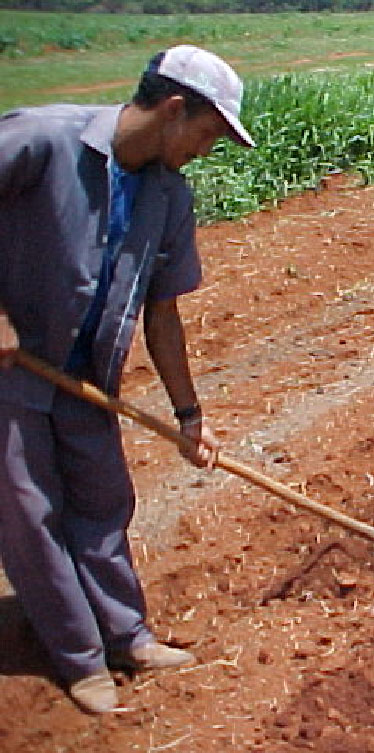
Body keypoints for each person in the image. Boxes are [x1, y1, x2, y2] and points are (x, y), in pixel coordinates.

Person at [0, 45, 255, 714]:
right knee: (32, 515)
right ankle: (80, 658)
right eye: (208, 133)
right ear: (175, 109)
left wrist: (188, 413)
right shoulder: (41, 139)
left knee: (102, 500)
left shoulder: (168, 195)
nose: (208, 149)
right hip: (12, 366)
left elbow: (162, 313)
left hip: (88, 374)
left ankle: (126, 634)